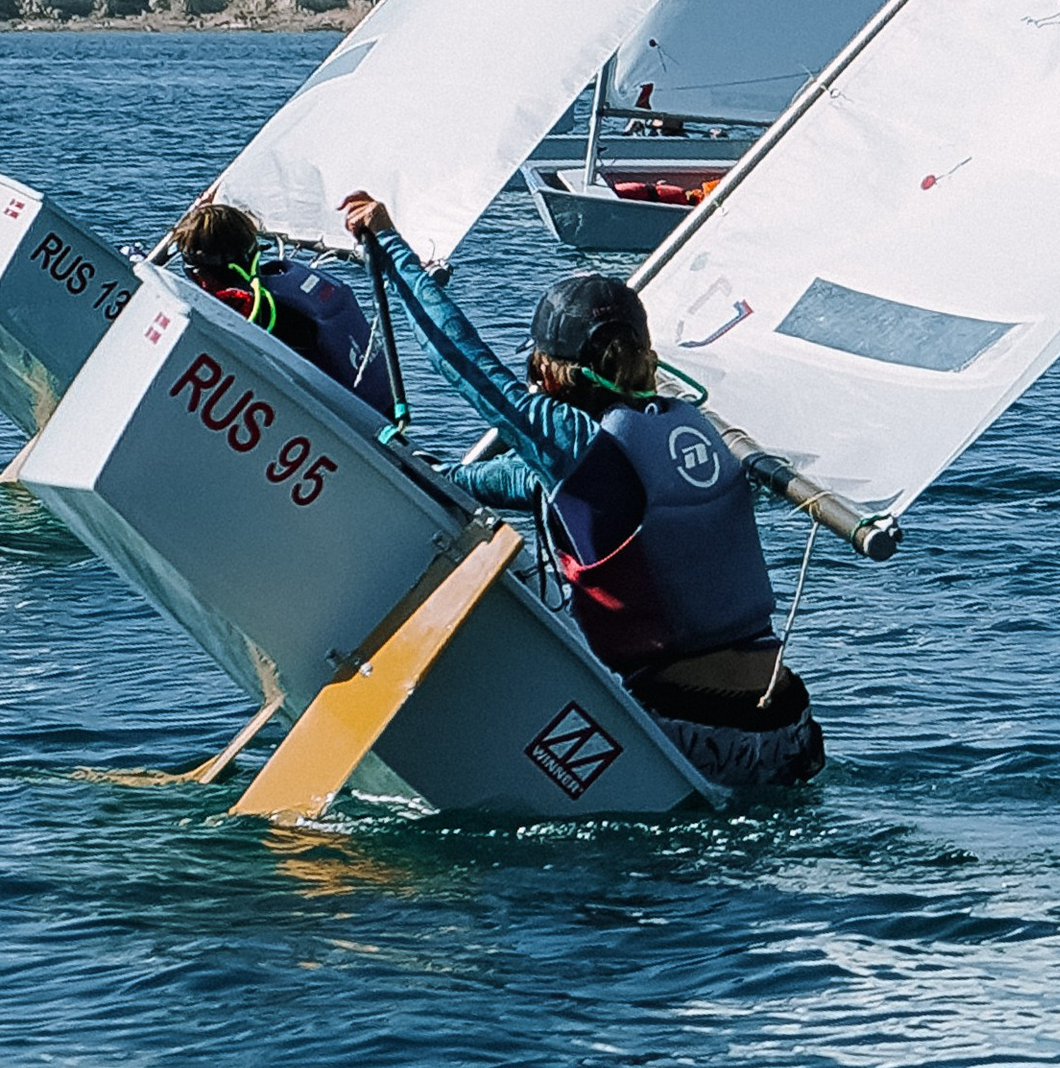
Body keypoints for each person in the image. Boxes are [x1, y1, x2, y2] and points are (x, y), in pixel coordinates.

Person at [337, 196, 824, 799]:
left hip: (692, 730)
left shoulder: (578, 444)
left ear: (548, 374)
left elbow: (461, 359)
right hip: (790, 727)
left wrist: (388, 244)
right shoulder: (691, 427)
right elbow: (508, 482)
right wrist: (422, 470)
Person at [168, 196, 394, 409]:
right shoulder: (288, 288)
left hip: (340, 426)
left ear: (199, 276)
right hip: (380, 411)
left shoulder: (244, 312)